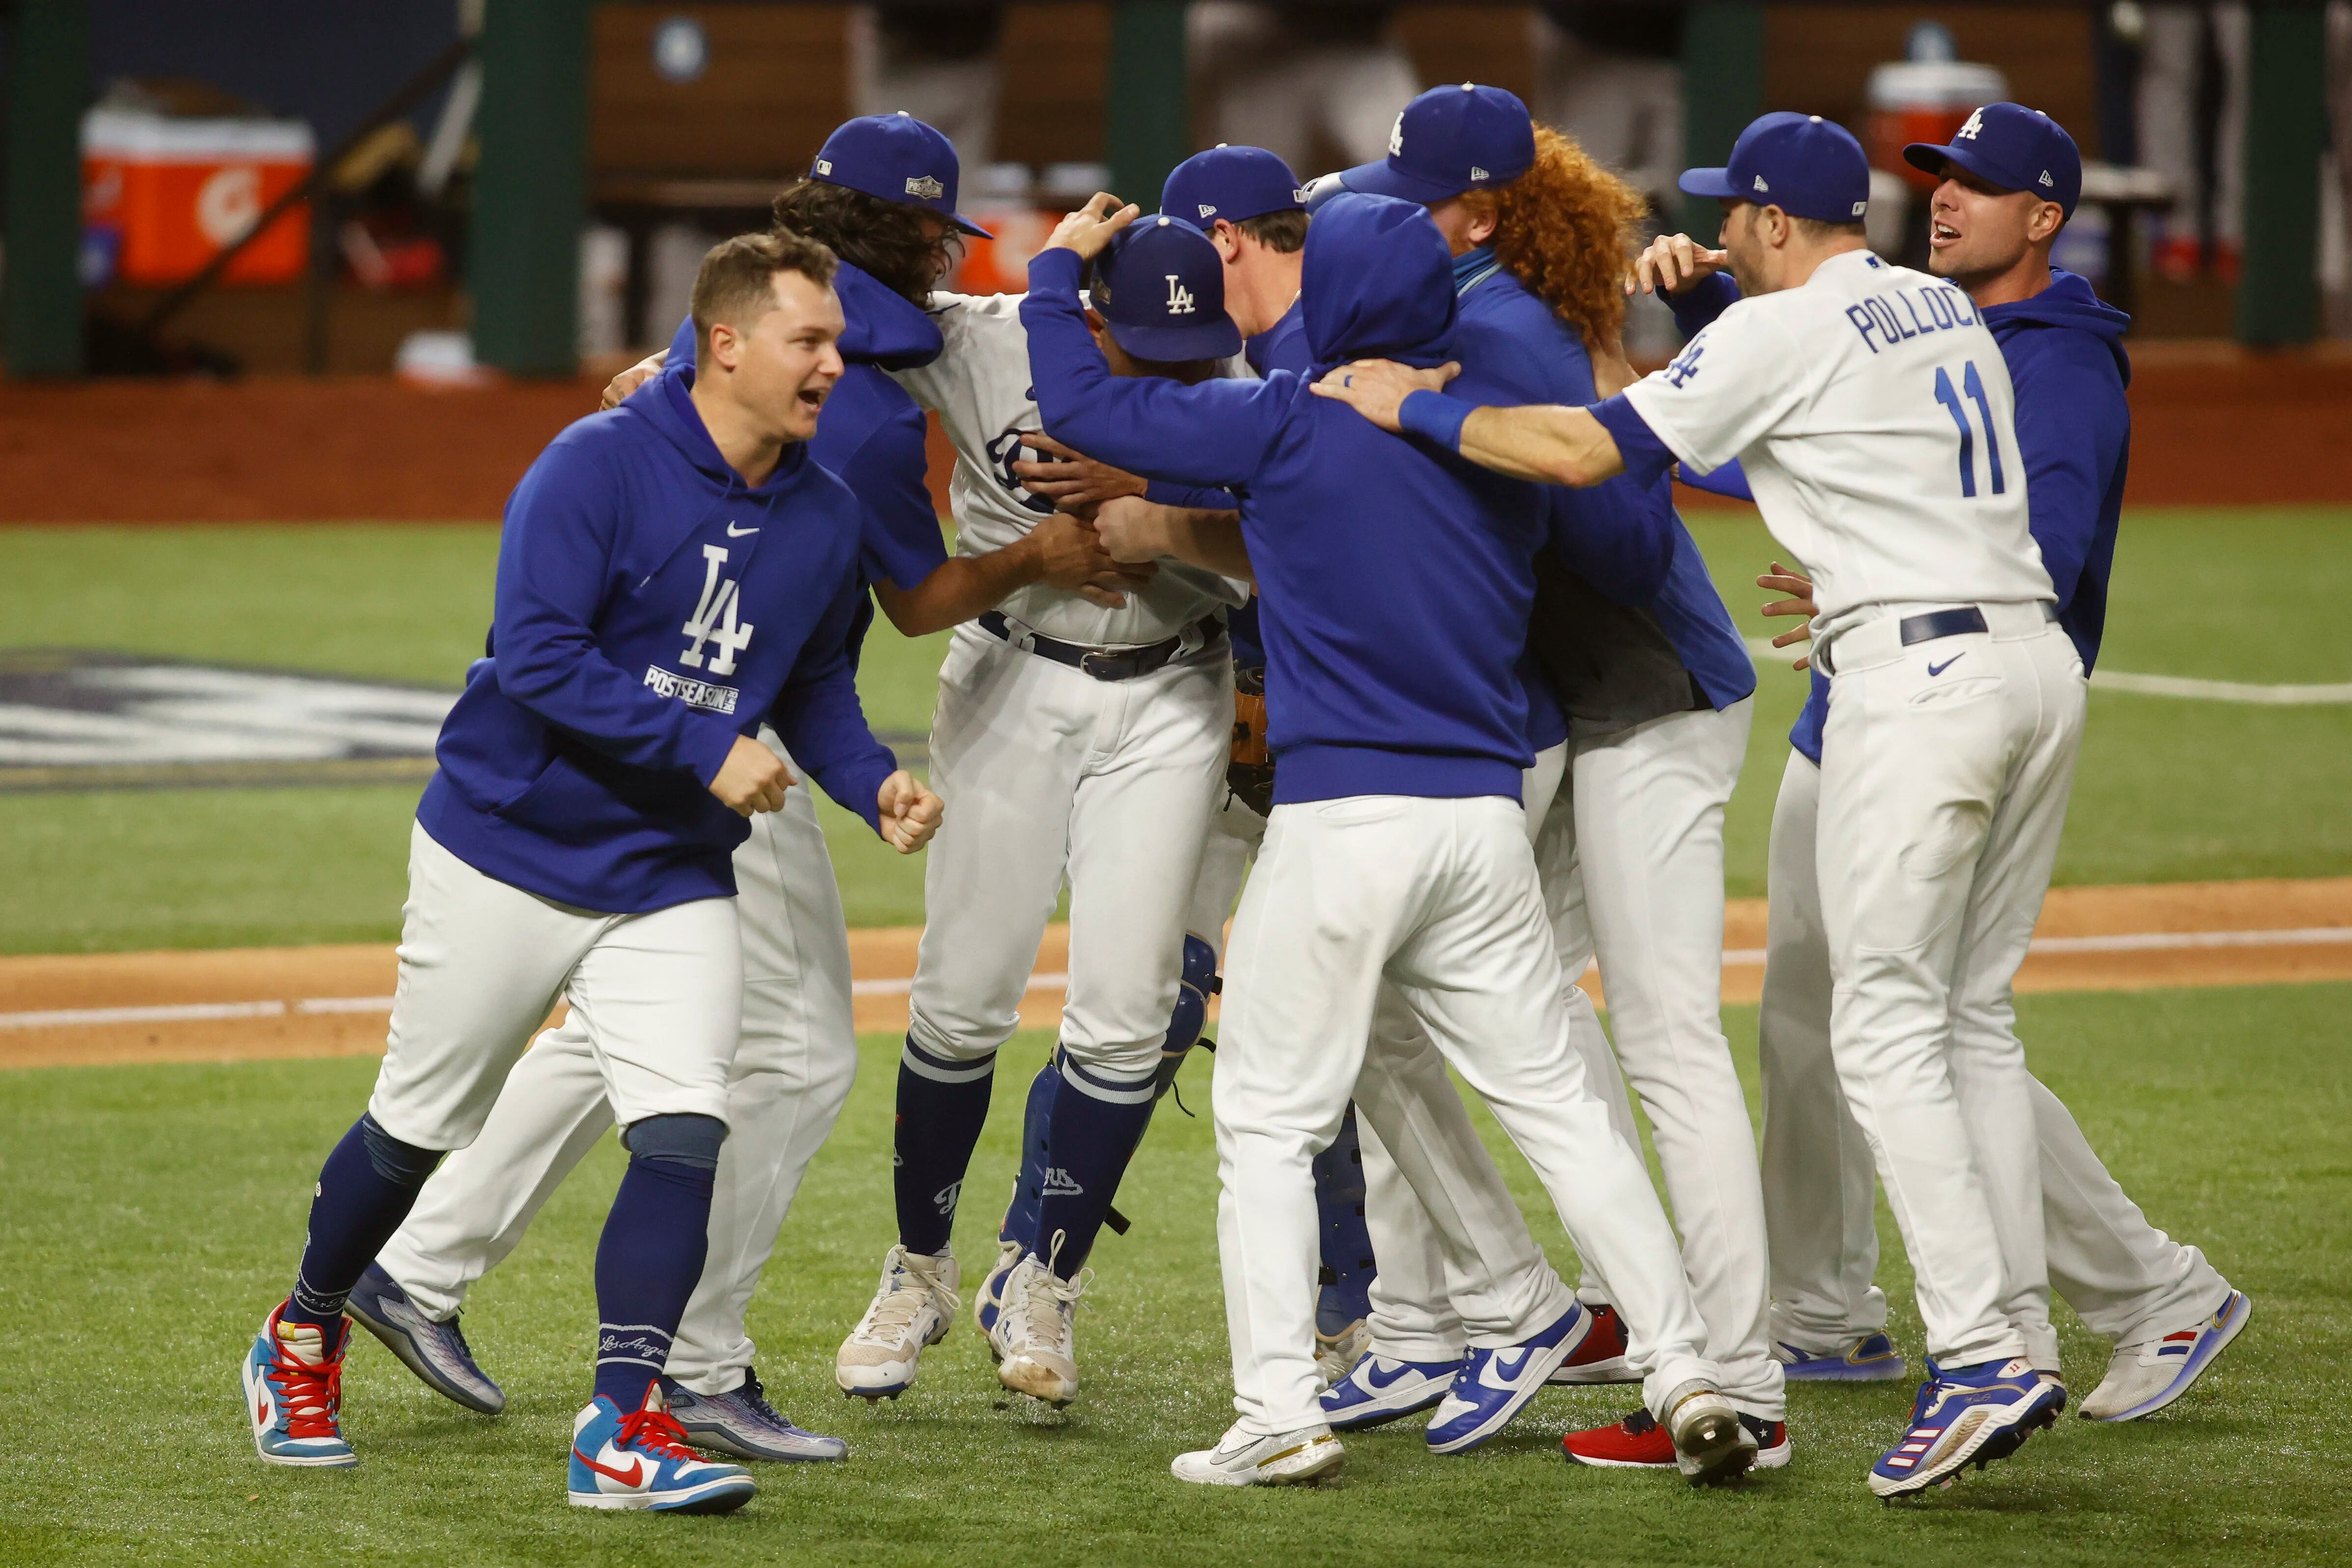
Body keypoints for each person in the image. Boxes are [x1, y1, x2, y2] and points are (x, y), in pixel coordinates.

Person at [1315, 111, 2088, 1500]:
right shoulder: (1929, 299)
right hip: (2030, 663)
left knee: (1887, 1025)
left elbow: (1589, 459)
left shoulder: (1770, 333)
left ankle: (1977, 1352)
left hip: (1922, 682)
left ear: (1780, 226)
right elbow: (1801, 409)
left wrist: (1407, 405)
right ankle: (2010, 1327)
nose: (1719, 225)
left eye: (1737, 213)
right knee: (1965, 1014)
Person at [345, 112, 1124, 1466]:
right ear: (906, 237)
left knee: (637, 1030)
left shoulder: (763, 328)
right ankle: (692, 1358)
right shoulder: (860, 403)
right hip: (708, 747)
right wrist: (1036, 559)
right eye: (938, 235)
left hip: (706, 731)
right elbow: (915, 601)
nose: (945, 264)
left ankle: (418, 1262)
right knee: (797, 1049)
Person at [1027, 188, 1749, 1489]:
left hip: (1345, 821)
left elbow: (1086, 411)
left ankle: (1277, 1410)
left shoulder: (1285, 418)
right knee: (1565, 1115)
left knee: (1263, 1115)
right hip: (1481, 826)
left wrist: (1048, 277)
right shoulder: (1492, 437)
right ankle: (1688, 1363)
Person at [240, 229, 943, 1514]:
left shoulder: (824, 512)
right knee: (416, 1126)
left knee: (684, 1126)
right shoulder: (595, 468)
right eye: (811, 339)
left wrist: (872, 779)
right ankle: (304, 1329)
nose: (835, 365)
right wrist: (702, 743)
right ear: (725, 342)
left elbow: (816, 681)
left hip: (669, 870)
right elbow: (539, 659)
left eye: (838, 342)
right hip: (507, 846)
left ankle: (622, 1424)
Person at [1632, 101, 2249, 1420]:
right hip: (1864, 699)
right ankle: (1831, 1311)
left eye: (1979, 182)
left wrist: (1900, 572)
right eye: (1937, 177)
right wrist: (1716, 337)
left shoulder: (2060, 363)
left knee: (1924, 1025)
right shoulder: (1911, 315)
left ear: (2045, 216)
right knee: (1817, 1015)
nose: (1946, 197)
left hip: (1943, 705)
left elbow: (2046, 545)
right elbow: (1804, 445)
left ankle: (2143, 1289)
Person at [1303, 81, 1784, 1470]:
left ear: (1480, 214)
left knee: (1661, 1036)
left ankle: (1732, 1372)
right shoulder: (1462, 304)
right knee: (1504, 1004)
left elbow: (1630, 547)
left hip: (1654, 700)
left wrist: (1469, 448)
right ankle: (1546, 1312)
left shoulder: (1502, 328)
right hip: (1579, 715)